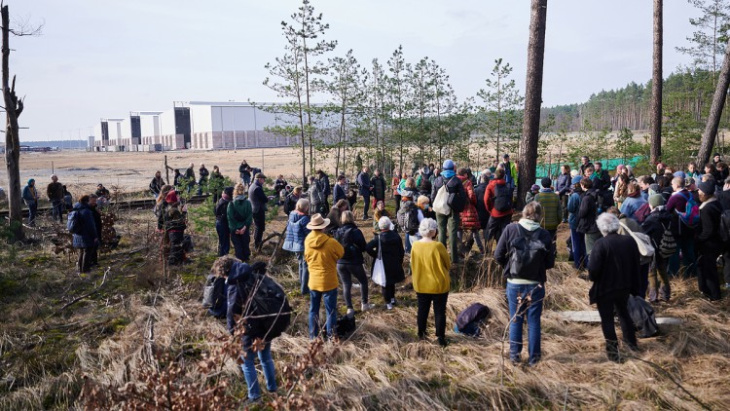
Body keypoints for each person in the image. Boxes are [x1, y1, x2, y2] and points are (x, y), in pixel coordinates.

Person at [494, 202, 554, 365]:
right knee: (534, 321)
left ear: (523, 213)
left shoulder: (510, 229)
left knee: (516, 318)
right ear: (539, 217)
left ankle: (515, 356)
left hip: (515, 283)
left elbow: (498, 255)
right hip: (536, 284)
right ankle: (534, 358)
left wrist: (509, 265)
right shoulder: (545, 234)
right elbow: (550, 263)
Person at [220, 257, 279, 403]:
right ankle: (273, 389)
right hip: (267, 324)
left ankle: (254, 397)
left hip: (249, 329)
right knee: (265, 357)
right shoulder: (254, 274)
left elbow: (232, 311)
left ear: (225, 272)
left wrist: (231, 331)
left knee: (247, 363)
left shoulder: (235, 285)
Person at [588, 212, 640, 362]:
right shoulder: (629, 241)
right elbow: (636, 263)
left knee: (607, 320)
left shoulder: (600, 244)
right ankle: (632, 345)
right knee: (624, 314)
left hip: (605, 288)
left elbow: (593, 270)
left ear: (601, 228)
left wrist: (593, 278)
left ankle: (613, 353)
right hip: (624, 285)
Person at [410, 218, 451, 346]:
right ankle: (441, 338)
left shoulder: (415, 245)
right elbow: (447, 264)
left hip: (421, 284)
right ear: (433, 231)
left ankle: (421, 333)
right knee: (439, 311)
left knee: (422, 310)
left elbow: (412, 263)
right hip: (439, 285)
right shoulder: (438, 246)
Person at [304, 214, 344, 340]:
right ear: (323, 227)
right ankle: (331, 336)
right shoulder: (331, 242)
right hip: (329, 281)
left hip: (314, 281)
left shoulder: (307, 240)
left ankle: (313, 337)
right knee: (331, 311)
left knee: (313, 310)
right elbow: (341, 253)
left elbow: (306, 257)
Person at [335, 211, 374, 315]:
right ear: (352, 218)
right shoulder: (356, 231)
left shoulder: (338, 231)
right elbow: (363, 247)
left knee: (346, 284)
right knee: (363, 281)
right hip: (354, 261)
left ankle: (349, 308)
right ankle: (364, 304)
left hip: (340, 262)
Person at [366, 217, 406, 310]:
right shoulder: (396, 236)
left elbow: (368, 247)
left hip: (384, 264)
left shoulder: (379, 238)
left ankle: (388, 303)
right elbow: (401, 250)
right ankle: (392, 299)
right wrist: (400, 260)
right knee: (392, 282)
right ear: (389, 225)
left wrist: (376, 255)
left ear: (380, 227)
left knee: (385, 284)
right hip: (395, 262)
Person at [641, 194, 674, 302]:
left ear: (652, 204)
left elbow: (643, 233)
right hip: (665, 247)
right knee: (663, 271)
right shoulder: (668, 215)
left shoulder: (651, 219)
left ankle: (653, 297)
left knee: (651, 273)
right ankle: (666, 295)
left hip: (654, 249)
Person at [431, 159, 465, 263]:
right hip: (453, 209)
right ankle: (454, 258)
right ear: (453, 168)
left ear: (443, 168)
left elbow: (432, 196)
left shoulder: (437, 180)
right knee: (452, 232)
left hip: (440, 209)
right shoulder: (457, 180)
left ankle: (442, 257)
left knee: (441, 231)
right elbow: (463, 196)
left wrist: (436, 204)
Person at [696, 180, 723, 301]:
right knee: (708, 268)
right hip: (716, 241)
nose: (698, 192)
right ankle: (709, 292)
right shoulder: (716, 203)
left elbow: (708, 230)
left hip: (709, 244)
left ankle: (714, 295)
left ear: (705, 192)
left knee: (709, 270)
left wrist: (698, 239)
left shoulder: (707, 209)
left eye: (700, 190)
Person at [665, 176, 697, 278]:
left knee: (674, 254)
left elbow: (667, 209)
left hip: (678, 230)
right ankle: (691, 273)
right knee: (689, 252)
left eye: (672, 184)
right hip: (690, 227)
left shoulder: (675, 197)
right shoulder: (690, 194)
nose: (672, 186)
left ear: (676, 184)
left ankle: (674, 274)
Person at [283, 199, 311, 295]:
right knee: (306, 267)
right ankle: (304, 289)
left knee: (301, 264)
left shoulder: (291, 215)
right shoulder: (305, 219)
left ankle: (301, 284)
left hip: (294, 244)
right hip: (303, 245)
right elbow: (309, 233)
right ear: (305, 207)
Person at [484, 166, 513, 248]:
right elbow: (511, 198)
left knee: (489, 231)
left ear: (494, 175)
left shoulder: (491, 185)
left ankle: (487, 252)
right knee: (505, 232)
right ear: (504, 175)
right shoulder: (507, 184)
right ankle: (504, 250)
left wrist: (490, 210)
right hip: (507, 212)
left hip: (495, 212)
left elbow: (486, 200)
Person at [457, 168, 484, 254]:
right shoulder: (468, 182)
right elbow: (472, 195)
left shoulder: (454, 182)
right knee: (475, 231)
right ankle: (482, 250)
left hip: (458, 210)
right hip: (468, 210)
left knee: (459, 230)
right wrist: (474, 203)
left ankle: (459, 251)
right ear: (464, 174)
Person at [69, 195, 98, 274]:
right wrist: (95, 236)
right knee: (87, 253)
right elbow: (91, 226)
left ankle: (79, 270)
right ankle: (85, 271)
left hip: (77, 235)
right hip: (86, 235)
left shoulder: (75, 209)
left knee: (81, 252)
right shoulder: (87, 212)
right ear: (87, 201)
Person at [577, 178, 602, 260]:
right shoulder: (597, 194)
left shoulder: (586, 198)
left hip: (589, 226)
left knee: (591, 251)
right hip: (599, 224)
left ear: (583, 185)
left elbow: (582, 213)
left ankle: (592, 270)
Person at [228, 183, 252, 262]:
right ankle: (247, 262)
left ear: (234, 191)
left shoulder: (231, 204)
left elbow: (230, 218)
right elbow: (249, 217)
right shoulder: (248, 203)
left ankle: (239, 263)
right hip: (244, 228)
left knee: (238, 247)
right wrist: (244, 227)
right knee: (245, 245)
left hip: (235, 229)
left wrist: (235, 229)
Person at [164, 191, 188, 266]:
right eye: (177, 197)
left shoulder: (170, 209)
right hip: (175, 233)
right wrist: (184, 212)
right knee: (175, 248)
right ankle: (174, 264)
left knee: (176, 248)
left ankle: (179, 262)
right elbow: (180, 222)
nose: (179, 199)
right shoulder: (174, 210)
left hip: (173, 233)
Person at [567, 176, 586, 270]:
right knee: (584, 243)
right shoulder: (586, 193)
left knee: (576, 244)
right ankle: (585, 262)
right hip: (584, 222)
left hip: (575, 222)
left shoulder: (574, 195)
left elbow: (570, 208)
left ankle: (578, 264)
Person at [248, 173, 269, 250]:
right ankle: (257, 245)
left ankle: (257, 244)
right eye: (263, 179)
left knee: (258, 227)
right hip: (258, 210)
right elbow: (264, 199)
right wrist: (268, 198)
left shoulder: (252, 186)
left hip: (254, 209)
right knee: (259, 228)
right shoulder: (257, 188)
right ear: (259, 179)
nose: (264, 181)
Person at [215, 186, 233, 256]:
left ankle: (221, 255)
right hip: (223, 224)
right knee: (225, 243)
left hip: (219, 222)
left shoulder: (221, 200)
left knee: (222, 242)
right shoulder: (226, 203)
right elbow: (227, 216)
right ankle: (224, 258)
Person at [474, 173, 490, 247]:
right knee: (486, 232)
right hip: (488, 213)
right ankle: (487, 250)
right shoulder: (490, 189)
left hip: (478, 214)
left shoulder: (476, 190)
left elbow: (474, 202)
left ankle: (480, 248)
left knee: (475, 232)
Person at [87, 194, 103, 268]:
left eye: (95, 200)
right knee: (91, 247)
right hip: (91, 231)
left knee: (95, 247)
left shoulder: (94, 208)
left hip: (97, 229)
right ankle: (91, 263)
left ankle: (94, 262)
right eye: (93, 201)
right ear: (89, 200)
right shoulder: (88, 209)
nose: (94, 202)